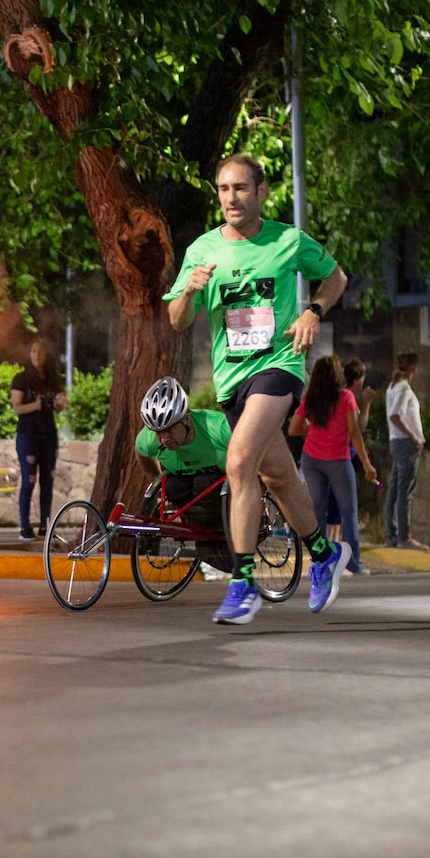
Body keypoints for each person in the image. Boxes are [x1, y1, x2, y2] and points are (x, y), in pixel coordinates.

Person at [164, 153, 351, 624]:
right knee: (278, 478)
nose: (231, 198)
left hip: (279, 365)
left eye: (241, 188)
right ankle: (326, 555)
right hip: (231, 381)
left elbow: (336, 278)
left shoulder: (288, 240)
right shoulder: (203, 250)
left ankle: (243, 581)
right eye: (224, 189)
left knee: (240, 460)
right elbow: (177, 320)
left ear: (261, 192)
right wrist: (190, 290)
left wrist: (314, 311)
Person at [288, 357, 377, 580]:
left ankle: (321, 561)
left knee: (317, 511)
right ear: (338, 375)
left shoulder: (311, 399)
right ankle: (353, 564)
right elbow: (354, 433)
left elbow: (293, 429)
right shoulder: (345, 397)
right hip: (337, 460)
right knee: (348, 512)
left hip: (312, 460)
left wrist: (314, 431)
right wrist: (366, 463)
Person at [134, 377, 229, 531]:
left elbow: (254, 446)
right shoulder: (149, 439)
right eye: (158, 432)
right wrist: (154, 478)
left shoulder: (219, 428)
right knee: (172, 486)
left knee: (204, 483)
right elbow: (141, 453)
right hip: (184, 486)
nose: (164, 439)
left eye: (169, 430)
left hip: (221, 486)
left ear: (187, 419)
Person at [9, 336, 68, 540]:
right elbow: (17, 408)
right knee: (29, 479)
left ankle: (46, 525)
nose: (37, 355)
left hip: (48, 434)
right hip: (28, 434)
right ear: (29, 353)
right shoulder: (22, 378)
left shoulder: (52, 378)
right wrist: (37, 404)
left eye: (41, 351)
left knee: (48, 481)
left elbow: (58, 407)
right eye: (34, 351)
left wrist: (60, 403)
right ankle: (25, 526)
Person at [383, 348, 428, 549]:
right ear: (412, 367)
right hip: (405, 444)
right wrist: (414, 437)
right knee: (404, 490)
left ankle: (391, 535)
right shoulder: (403, 388)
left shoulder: (393, 387)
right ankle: (404, 537)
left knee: (395, 488)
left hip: (396, 442)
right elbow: (395, 414)